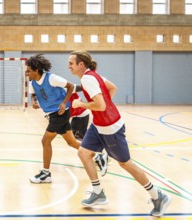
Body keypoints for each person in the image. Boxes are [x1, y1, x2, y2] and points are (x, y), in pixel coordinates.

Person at [68, 50, 171, 217]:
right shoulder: (93, 75)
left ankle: (158, 196)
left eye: (71, 63)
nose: (68, 66)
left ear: (81, 64)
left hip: (111, 128)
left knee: (126, 164)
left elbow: (100, 106)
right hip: (98, 125)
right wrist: (105, 105)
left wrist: (82, 103)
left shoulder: (88, 79)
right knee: (83, 152)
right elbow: (112, 88)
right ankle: (98, 192)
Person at [26, 54, 108, 184]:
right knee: (72, 142)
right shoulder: (32, 83)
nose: (27, 73)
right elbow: (34, 94)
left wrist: (64, 103)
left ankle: (45, 173)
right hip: (51, 115)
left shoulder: (51, 78)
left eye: (29, 70)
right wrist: (34, 101)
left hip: (60, 113)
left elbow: (70, 86)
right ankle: (98, 154)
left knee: (45, 141)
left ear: (36, 70)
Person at [69, 88, 108, 177]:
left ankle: (99, 154)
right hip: (78, 115)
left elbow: (76, 88)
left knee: (77, 138)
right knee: (78, 138)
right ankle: (97, 154)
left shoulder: (66, 89)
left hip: (81, 114)